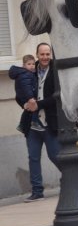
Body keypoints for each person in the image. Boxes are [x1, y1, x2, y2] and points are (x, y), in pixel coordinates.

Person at [21, 43, 60, 202]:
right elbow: (20, 91)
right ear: (37, 55)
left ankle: (72, 177)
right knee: (33, 157)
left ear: (50, 55)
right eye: (42, 54)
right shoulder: (30, 71)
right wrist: (24, 103)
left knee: (54, 155)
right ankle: (37, 191)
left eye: (47, 54)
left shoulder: (56, 71)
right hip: (33, 123)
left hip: (50, 122)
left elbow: (58, 96)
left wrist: (40, 104)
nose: (45, 57)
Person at [10, 54, 36, 134]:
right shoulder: (26, 74)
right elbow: (26, 87)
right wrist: (31, 98)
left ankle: (22, 125)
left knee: (28, 111)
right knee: (30, 111)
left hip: (23, 97)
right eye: (29, 64)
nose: (31, 66)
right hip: (27, 97)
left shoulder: (27, 73)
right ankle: (22, 125)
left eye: (33, 64)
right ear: (24, 65)